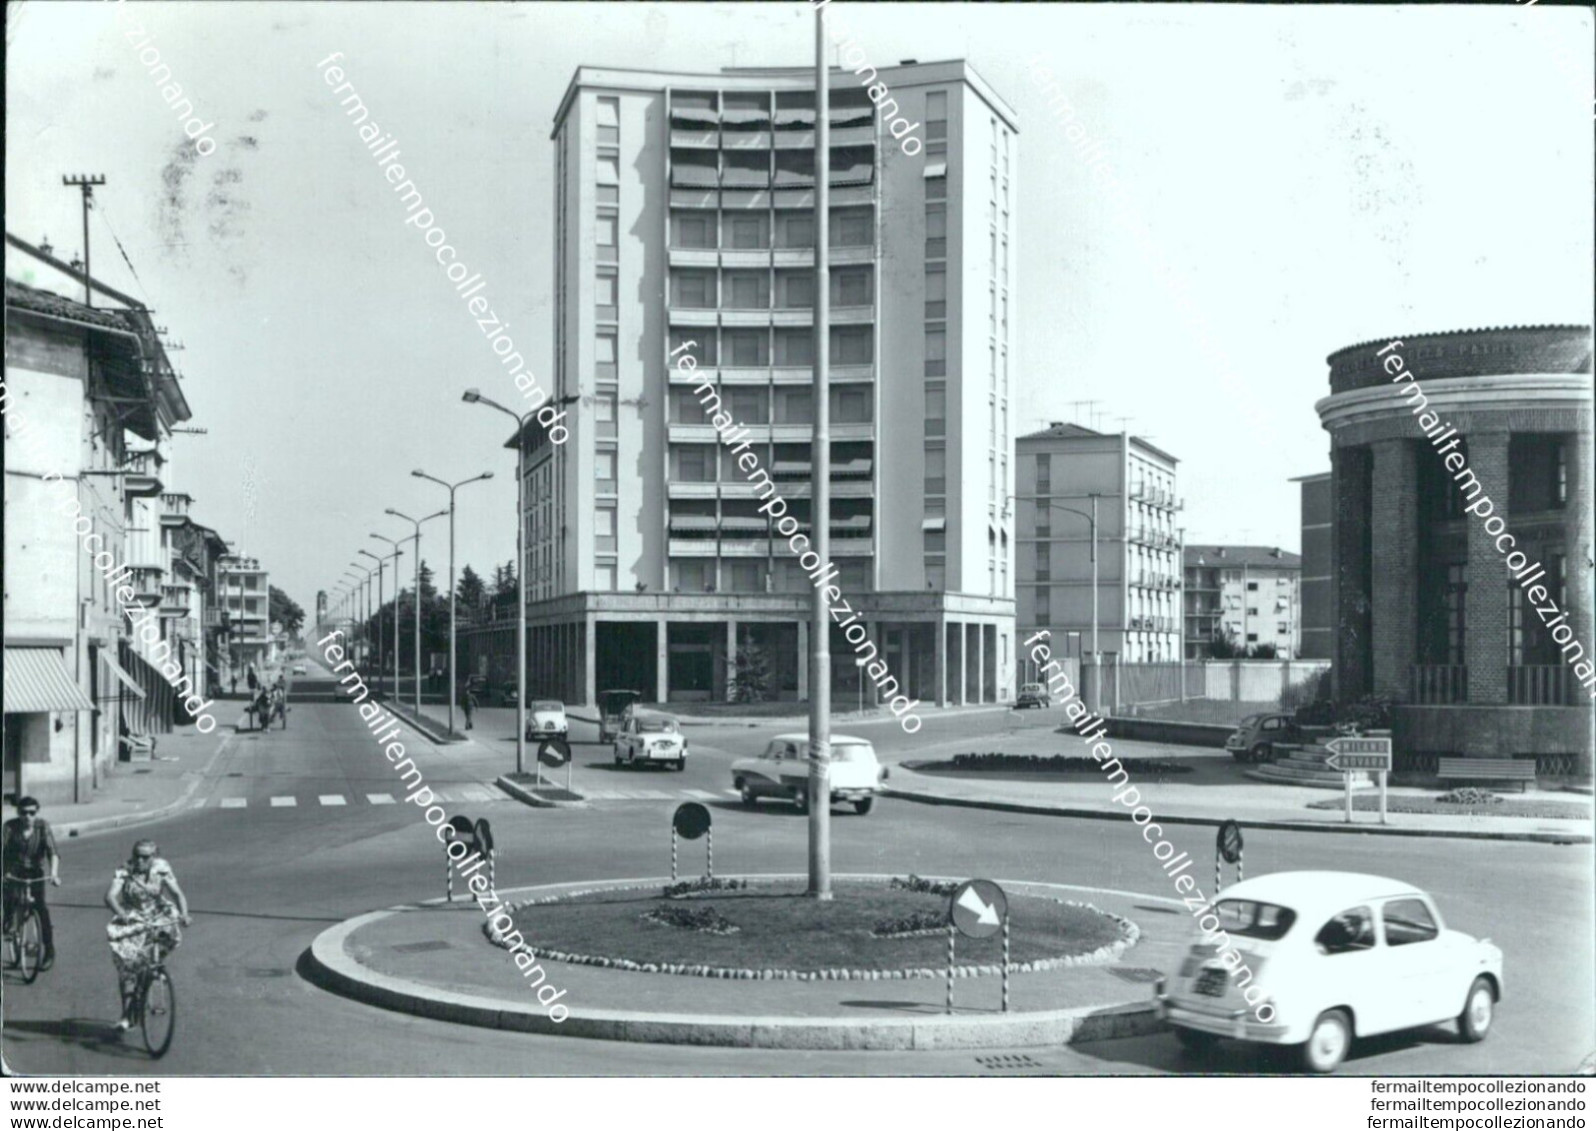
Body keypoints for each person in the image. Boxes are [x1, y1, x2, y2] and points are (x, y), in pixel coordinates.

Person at [105, 839, 190, 1031]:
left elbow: (177, 894)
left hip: (157, 912)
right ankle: (126, 1015)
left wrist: (184, 914)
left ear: (154, 856)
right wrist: (122, 914)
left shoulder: (162, 868)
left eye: (145, 857)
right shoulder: (124, 871)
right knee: (128, 968)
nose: (140, 860)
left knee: (167, 937)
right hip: (132, 916)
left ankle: (152, 969)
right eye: (137, 855)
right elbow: (110, 896)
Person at [2, 797, 60, 970]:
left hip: (35, 871)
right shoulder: (9, 827)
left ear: (37, 812)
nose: (27, 816)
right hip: (13, 870)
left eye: (31, 813)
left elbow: (53, 852)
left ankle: (49, 950)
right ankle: (9, 924)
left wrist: (54, 874)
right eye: (23, 812)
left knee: (41, 909)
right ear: (18, 813)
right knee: (10, 897)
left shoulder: (43, 827)